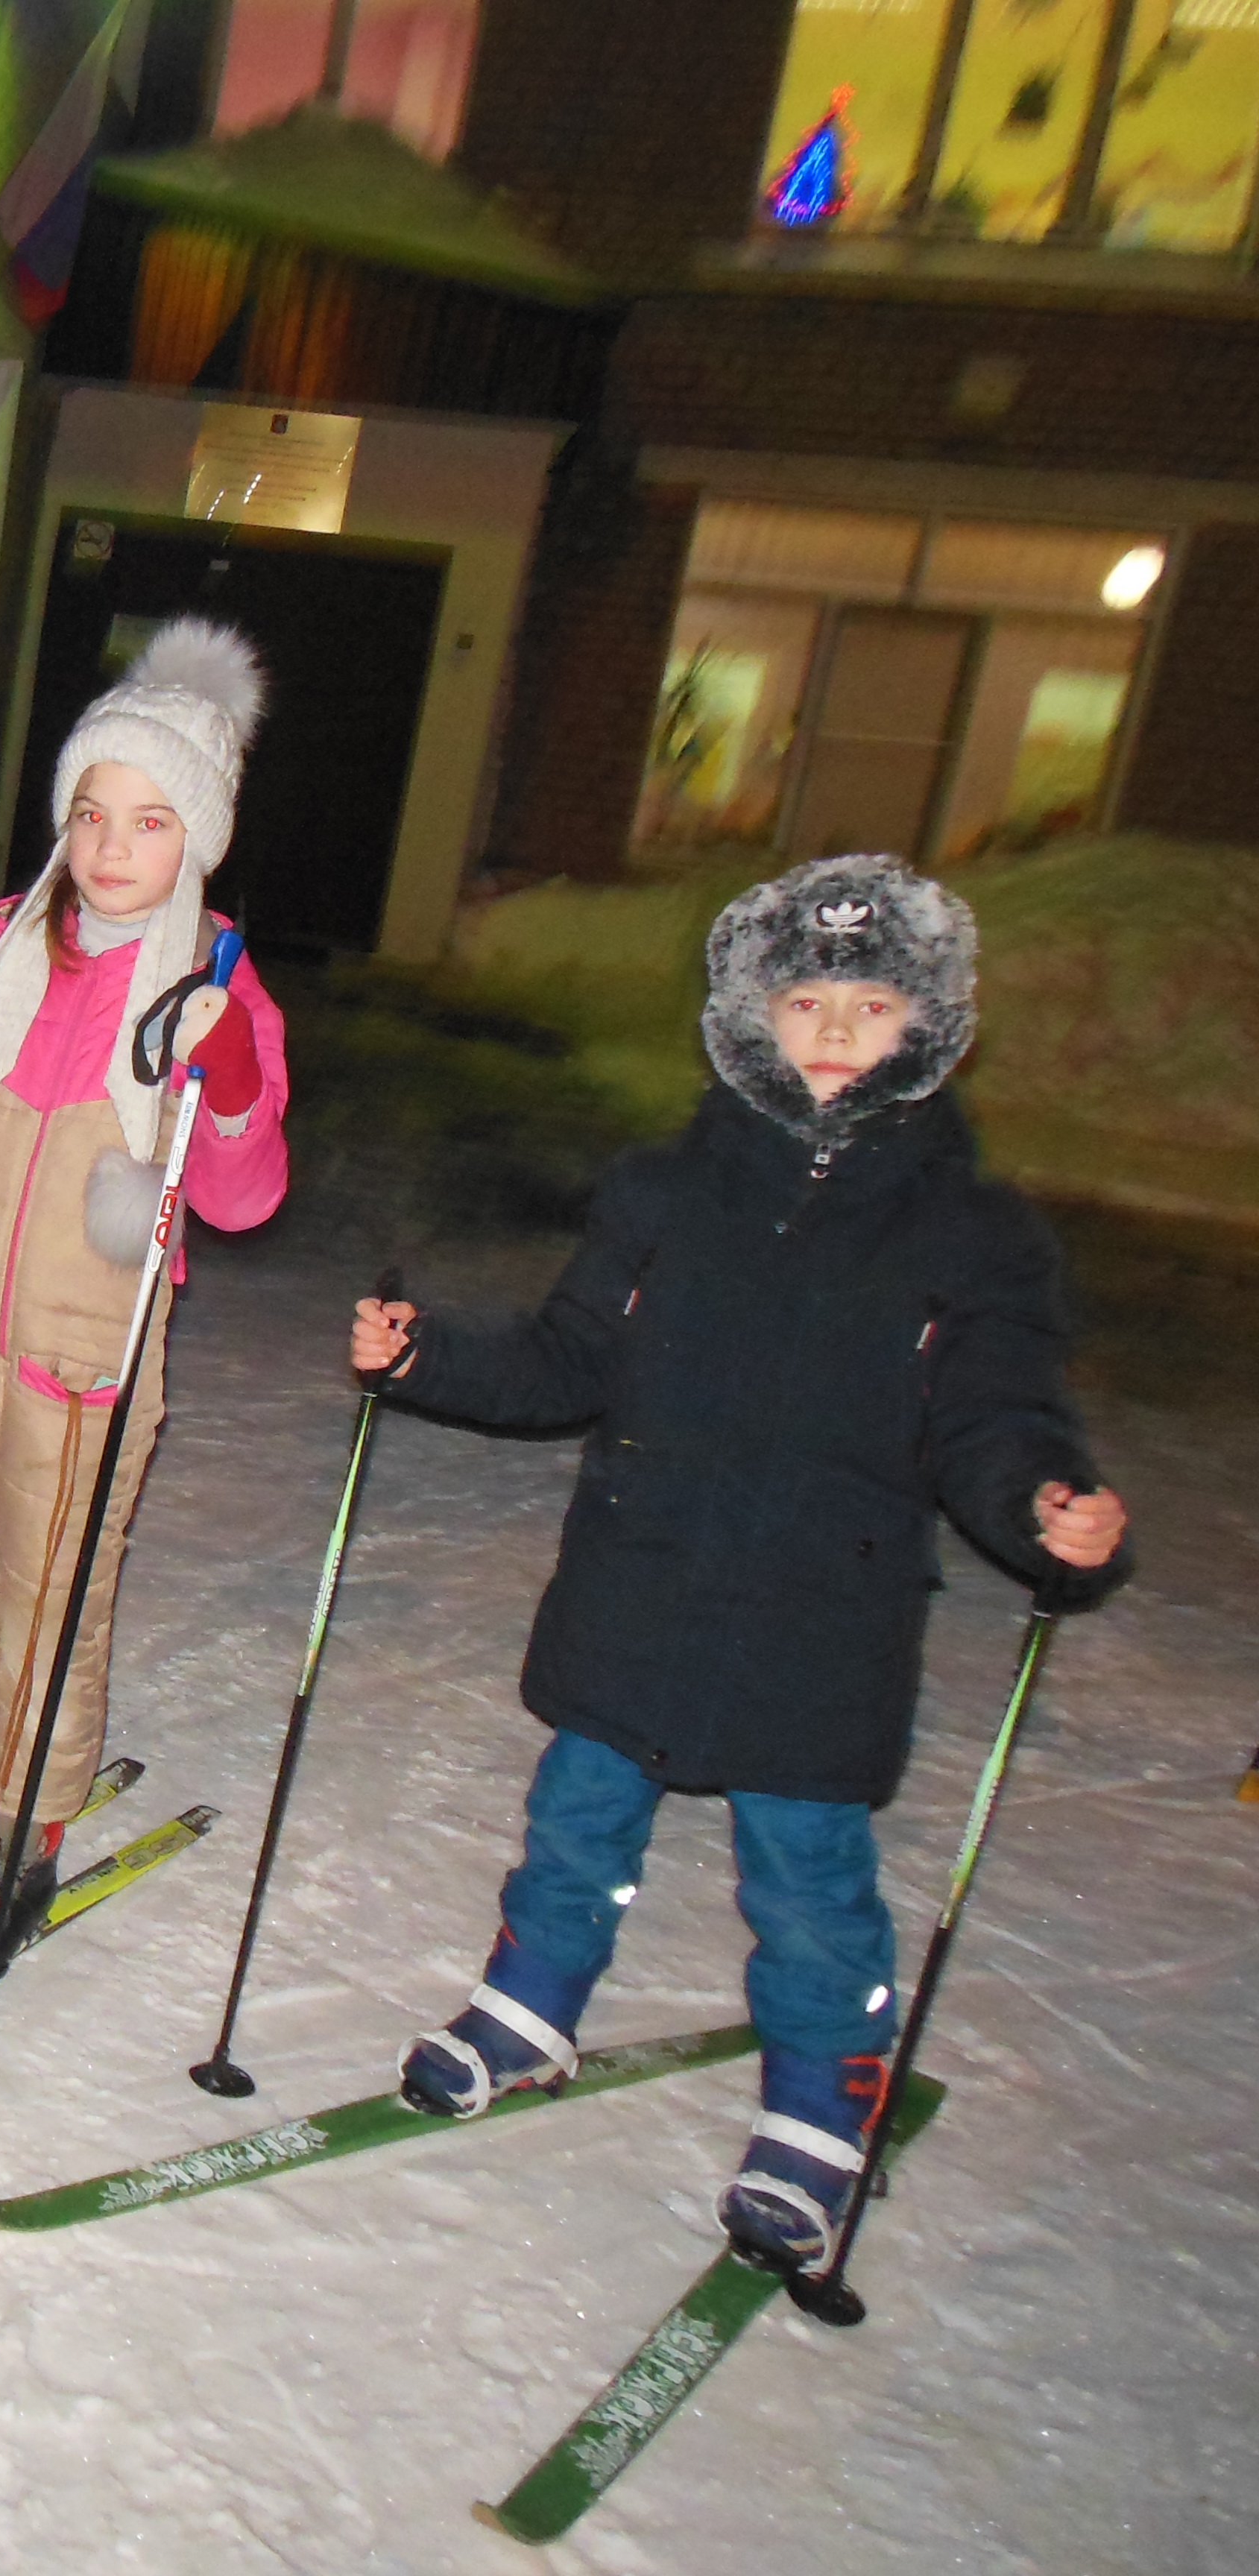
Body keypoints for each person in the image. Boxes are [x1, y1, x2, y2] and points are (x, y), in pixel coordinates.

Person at [356, 852, 1132, 2273]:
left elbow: (994, 1415)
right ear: (752, 1015)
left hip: (817, 1612)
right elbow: (570, 1355)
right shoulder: (665, 1191)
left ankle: (825, 2104)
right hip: (642, 1574)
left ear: (929, 1024)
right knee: (579, 1818)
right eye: (807, 996)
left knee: (809, 1879)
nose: (835, 1026)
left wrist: (1044, 1505)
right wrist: (427, 1356)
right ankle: (531, 2004)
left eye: (873, 1001)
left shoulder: (969, 1232)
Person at [0, 620, 289, 1981]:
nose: (112, 843)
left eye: (148, 819)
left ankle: (15, 1846)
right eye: (91, 813)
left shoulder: (211, 991)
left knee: (49, 1607)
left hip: (90, 1361)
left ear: (194, 839)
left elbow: (247, 1195)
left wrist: (235, 1066)